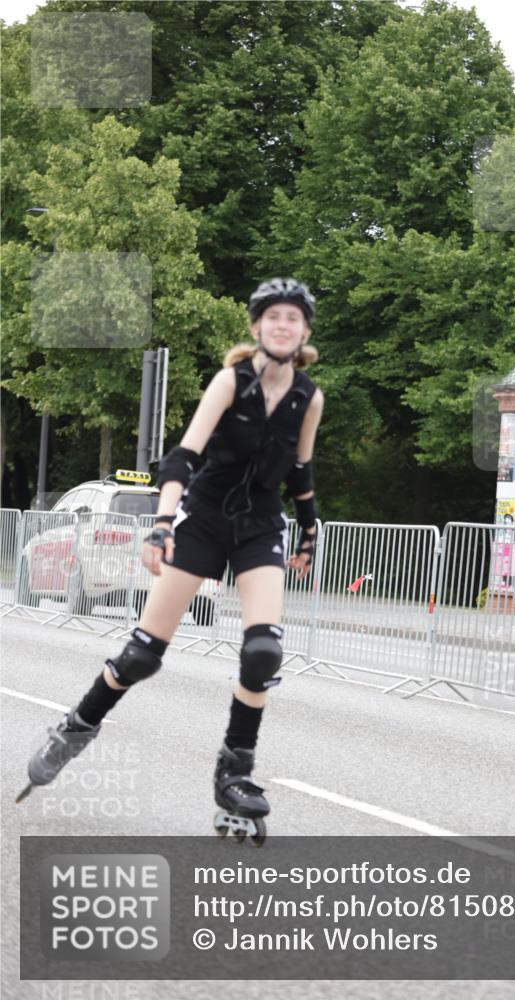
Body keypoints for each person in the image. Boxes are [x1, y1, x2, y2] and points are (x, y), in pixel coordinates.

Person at [20, 278, 325, 838]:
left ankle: (235, 772)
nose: (283, 325)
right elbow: (183, 457)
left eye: (293, 318)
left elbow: (301, 473)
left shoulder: (310, 397)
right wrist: (162, 525)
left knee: (263, 652)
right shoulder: (230, 381)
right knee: (142, 655)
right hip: (204, 520)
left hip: (260, 526)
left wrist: (308, 531)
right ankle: (77, 726)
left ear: (305, 330)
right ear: (257, 326)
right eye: (273, 316)